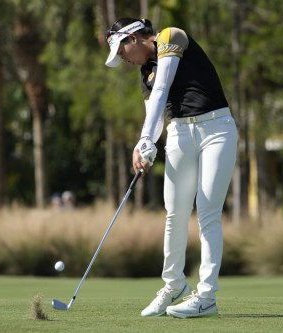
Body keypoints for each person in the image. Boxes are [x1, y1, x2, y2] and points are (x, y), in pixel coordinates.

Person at [105, 18, 238, 319]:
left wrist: (144, 139)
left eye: (122, 49)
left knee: (207, 213)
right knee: (175, 214)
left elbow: (164, 87)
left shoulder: (171, 36)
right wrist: (145, 147)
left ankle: (206, 297)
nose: (123, 58)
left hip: (216, 128)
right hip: (179, 134)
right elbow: (154, 110)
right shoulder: (144, 73)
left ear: (135, 37)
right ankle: (174, 285)